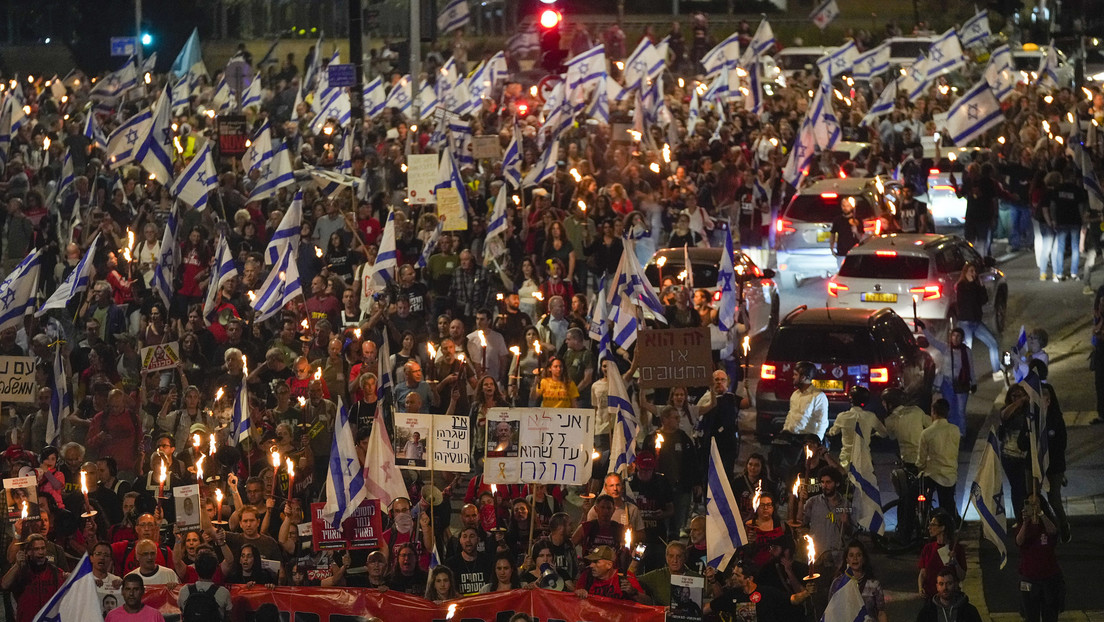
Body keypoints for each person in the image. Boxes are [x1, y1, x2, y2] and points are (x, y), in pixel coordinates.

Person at [703, 558, 813, 621]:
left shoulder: (767, 593)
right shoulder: (732, 595)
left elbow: (793, 599)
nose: (733, 578)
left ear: (749, 578)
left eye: (737, 575)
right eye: (733, 574)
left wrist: (806, 593)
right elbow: (709, 607)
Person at [1016, 495, 1062, 622]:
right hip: (1029, 578)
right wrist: (1025, 523)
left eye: (1035, 503)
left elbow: (1053, 531)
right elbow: (1019, 541)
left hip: (1049, 578)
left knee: (1050, 616)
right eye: (1029, 503)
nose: (1032, 506)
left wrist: (1041, 513)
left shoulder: (1047, 523)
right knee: (1031, 617)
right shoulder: (1022, 524)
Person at [923, 325, 975, 436]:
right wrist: (923, 328)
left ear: (962, 338)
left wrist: (973, 383)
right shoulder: (946, 348)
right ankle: (951, 432)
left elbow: (970, 367)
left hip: (961, 383)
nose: (955, 338)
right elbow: (932, 340)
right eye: (954, 335)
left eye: (958, 336)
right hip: (947, 383)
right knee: (950, 409)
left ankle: (961, 433)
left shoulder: (966, 351)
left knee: (960, 410)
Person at [2, 534, 66, 622]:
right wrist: (17, 565)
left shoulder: (54, 571)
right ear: (28, 552)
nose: (41, 552)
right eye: (36, 549)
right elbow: (4, 584)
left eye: (43, 548)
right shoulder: (21, 571)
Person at [803, 467, 851, 576]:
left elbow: (850, 532)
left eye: (828, 482)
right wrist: (800, 502)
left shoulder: (845, 504)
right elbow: (801, 522)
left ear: (837, 483)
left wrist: (846, 522)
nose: (825, 486)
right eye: (822, 482)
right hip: (818, 555)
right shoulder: (812, 502)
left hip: (837, 556)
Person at [917, 399, 960, 520]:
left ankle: (921, 521)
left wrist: (919, 465)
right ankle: (951, 524)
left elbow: (921, 460)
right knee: (948, 501)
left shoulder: (926, 433)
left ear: (933, 412)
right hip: (950, 474)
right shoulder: (955, 430)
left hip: (932, 474)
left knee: (914, 494)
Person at [827, 386, 887, 468]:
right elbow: (884, 433)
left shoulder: (842, 416)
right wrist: (874, 434)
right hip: (864, 458)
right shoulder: (870, 416)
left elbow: (833, 432)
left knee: (843, 478)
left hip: (846, 458)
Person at [828, 540, 888, 622]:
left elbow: (881, 613)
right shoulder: (838, 584)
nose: (855, 558)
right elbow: (832, 612)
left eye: (858, 555)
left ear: (863, 559)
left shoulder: (874, 585)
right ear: (847, 559)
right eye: (851, 555)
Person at [917, 509, 966, 600]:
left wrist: (955, 561)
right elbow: (923, 573)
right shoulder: (928, 548)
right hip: (930, 597)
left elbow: (962, 576)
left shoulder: (956, 549)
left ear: (942, 528)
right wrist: (920, 588)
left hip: (950, 598)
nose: (929, 527)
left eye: (933, 525)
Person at [574, 545, 650, 604]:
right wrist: (579, 593)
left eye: (596, 562)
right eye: (591, 562)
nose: (591, 565)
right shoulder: (587, 576)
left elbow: (648, 603)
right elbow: (572, 600)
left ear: (609, 565)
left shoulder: (624, 577)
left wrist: (634, 593)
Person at [635, 541, 701, 606]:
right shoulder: (657, 576)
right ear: (666, 557)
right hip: (662, 615)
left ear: (685, 557)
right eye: (671, 556)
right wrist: (635, 560)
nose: (675, 560)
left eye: (679, 556)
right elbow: (633, 579)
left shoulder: (696, 577)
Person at [177, 550, 231, 621]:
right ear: (215, 569)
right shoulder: (223, 592)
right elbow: (229, 615)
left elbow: (181, 611)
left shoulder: (184, 590)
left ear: (195, 568)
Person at [915, 568, 982, 622]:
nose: (945, 588)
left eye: (949, 583)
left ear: (955, 585)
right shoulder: (927, 612)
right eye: (941, 584)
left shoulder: (969, 611)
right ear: (937, 587)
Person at [782, 361, 828, 439]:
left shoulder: (818, 396)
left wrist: (817, 441)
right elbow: (791, 414)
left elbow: (822, 422)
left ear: (803, 377)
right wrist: (785, 431)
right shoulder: (795, 394)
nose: (793, 377)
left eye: (796, 375)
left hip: (807, 439)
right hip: (791, 438)